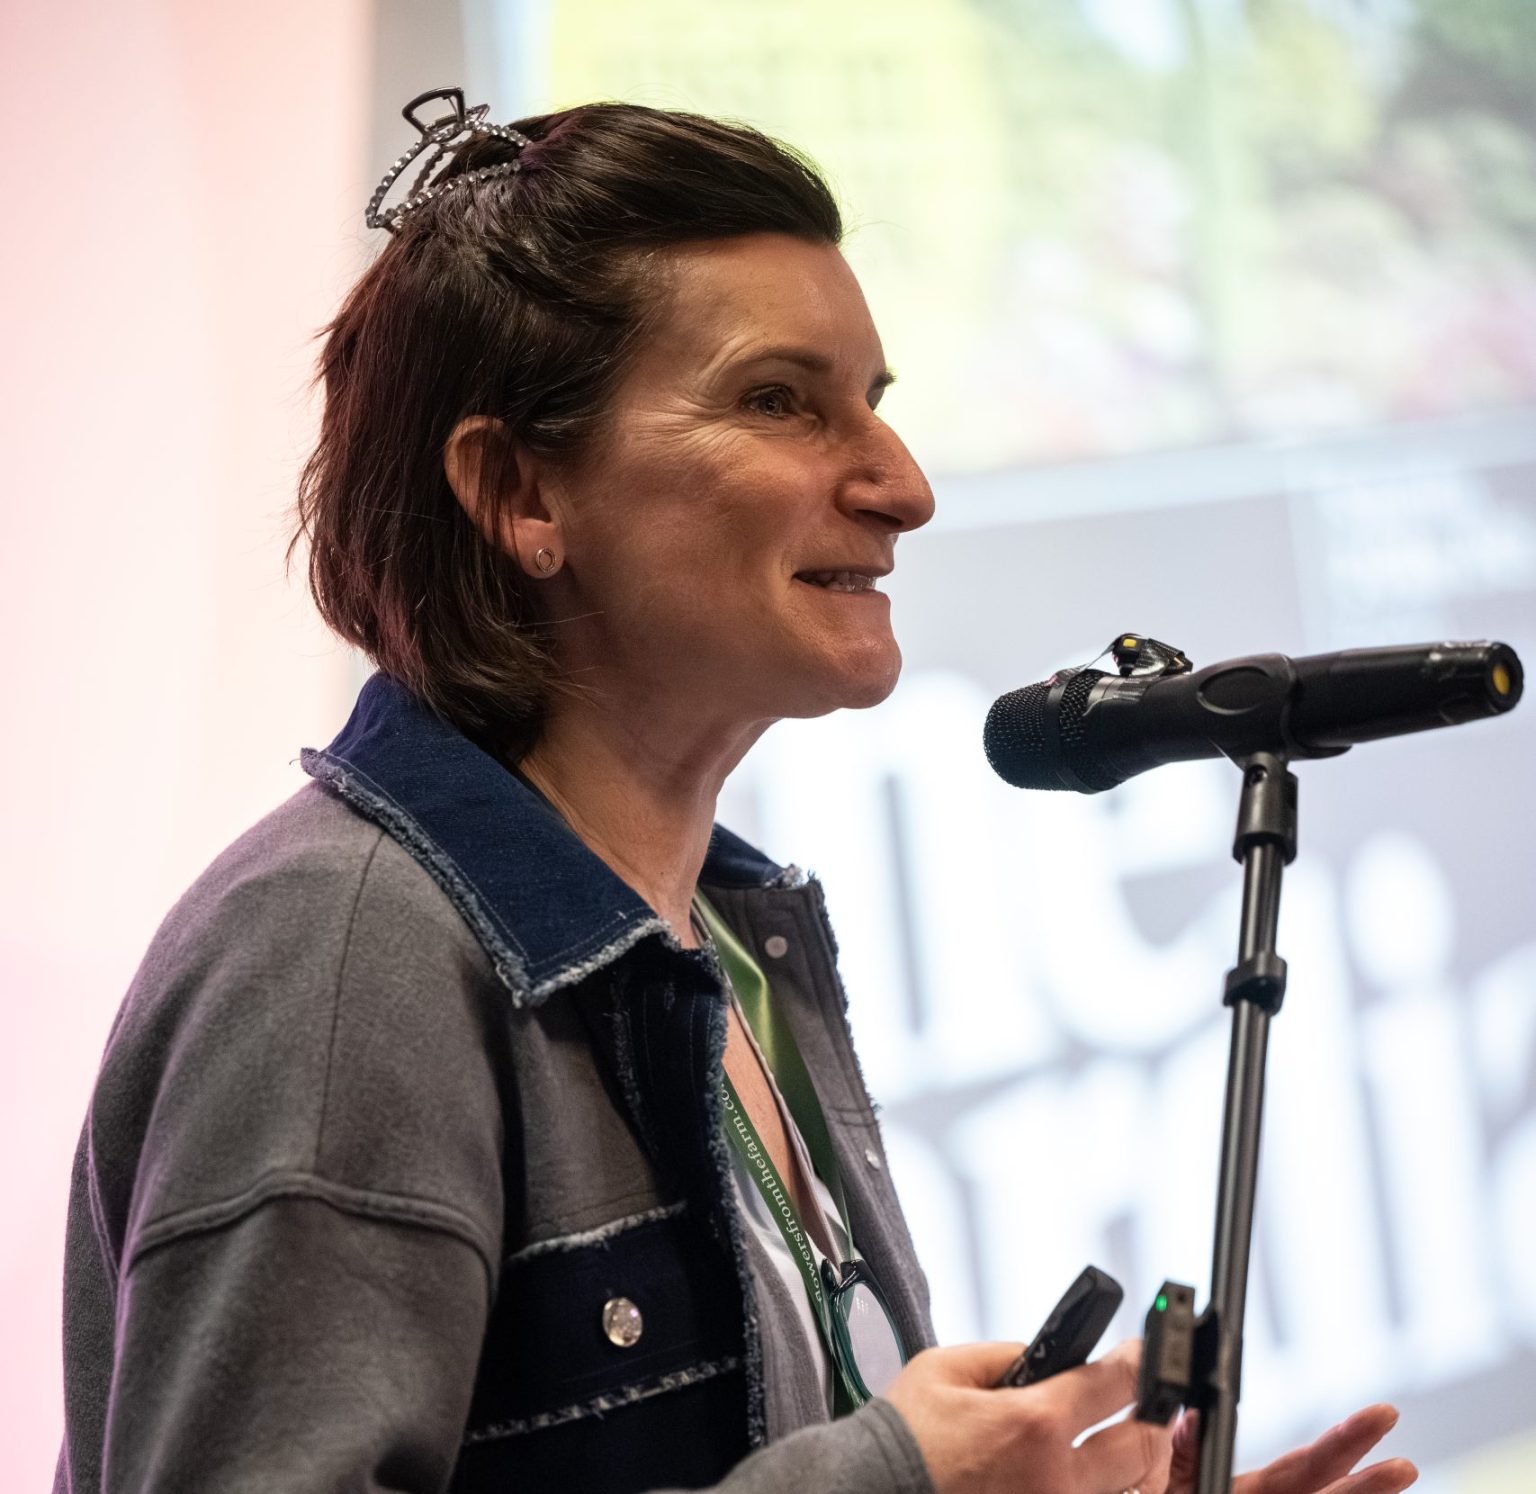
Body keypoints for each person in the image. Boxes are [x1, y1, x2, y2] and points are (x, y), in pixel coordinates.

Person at [55, 91, 1419, 1494]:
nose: (903, 486)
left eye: (875, 405)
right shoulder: (345, 956)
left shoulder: (728, 932)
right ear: (521, 491)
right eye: (779, 401)